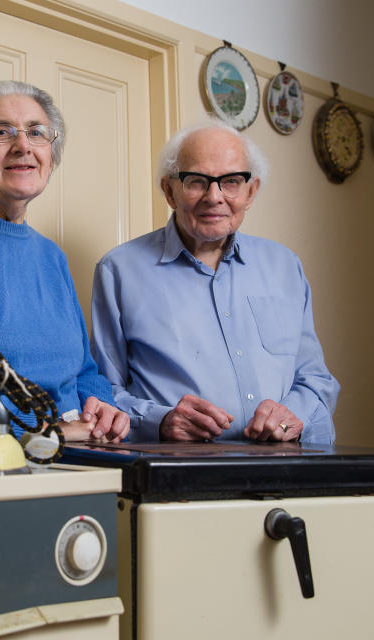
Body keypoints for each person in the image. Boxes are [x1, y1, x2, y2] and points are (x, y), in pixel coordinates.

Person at [90, 120, 339, 444]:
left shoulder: (285, 266)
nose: (214, 196)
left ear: (251, 192)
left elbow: (315, 379)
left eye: (231, 181)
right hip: (181, 477)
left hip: (288, 468)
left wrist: (294, 416)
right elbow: (102, 393)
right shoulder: (118, 271)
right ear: (169, 190)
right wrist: (160, 421)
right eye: (196, 181)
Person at [0, 80, 129, 450]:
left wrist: (102, 409)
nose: (23, 145)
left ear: (51, 155)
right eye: (2, 132)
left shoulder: (52, 256)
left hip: (78, 454)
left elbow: (84, 373)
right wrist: (39, 435)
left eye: (36, 132)